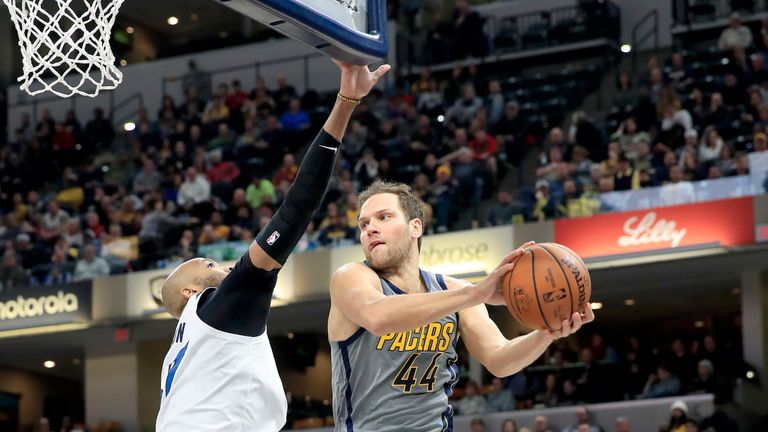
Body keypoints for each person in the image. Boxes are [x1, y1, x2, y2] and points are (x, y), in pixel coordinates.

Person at [155, 59, 390, 432]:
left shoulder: (183, 353)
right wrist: (346, 100)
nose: (226, 266)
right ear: (190, 291)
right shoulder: (217, 307)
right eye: (209, 265)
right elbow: (297, 206)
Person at [328, 180, 594, 431]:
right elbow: (378, 317)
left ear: (415, 228)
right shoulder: (351, 277)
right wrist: (474, 294)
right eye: (363, 225)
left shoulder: (454, 290)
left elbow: (499, 360)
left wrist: (547, 333)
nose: (370, 229)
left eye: (383, 217)